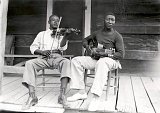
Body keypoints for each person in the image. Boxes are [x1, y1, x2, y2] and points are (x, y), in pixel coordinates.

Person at [67, 12, 125, 111]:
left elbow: (121, 54)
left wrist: (105, 54)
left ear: (114, 22)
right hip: (96, 59)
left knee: (102, 63)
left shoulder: (117, 36)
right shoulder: (97, 33)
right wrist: (88, 47)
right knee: (76, 60)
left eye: (112, 20)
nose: (110, 21)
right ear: (104, 20)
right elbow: (85, 39)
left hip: (111, 60)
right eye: (108, 19)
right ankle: (81, 92)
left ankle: (96, 98)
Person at [22, 15, 71, 110]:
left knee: (66, 62)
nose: (56, 22)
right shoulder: (42, 34)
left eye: (57, 21)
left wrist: (66, 36)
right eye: (53, 20)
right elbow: (32, 47)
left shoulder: (61, 34)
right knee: (29, 63)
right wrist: (42, 52)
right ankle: (32, 96)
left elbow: (63, 47)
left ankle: (62, 95)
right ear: (49, 22)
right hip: (43, 58)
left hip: (57, 57)